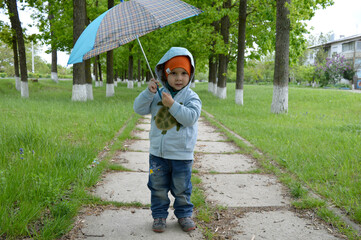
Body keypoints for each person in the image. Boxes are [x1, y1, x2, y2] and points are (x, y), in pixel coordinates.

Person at [133, 47, 202, 233]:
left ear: (190, 75)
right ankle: (159, 216)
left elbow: (190, 118)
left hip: (182, 154)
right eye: (173, 73)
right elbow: (138, 109)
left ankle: (184, 214)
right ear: (165, 74)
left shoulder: (191, 97)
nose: (178, 78)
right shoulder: (157, 93)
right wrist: (149, 92)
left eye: (183, 73)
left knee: (182, 188)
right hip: (158, 153)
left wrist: (172, 104)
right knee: (157, 188)